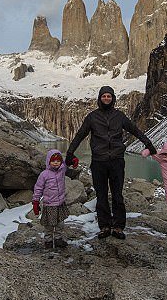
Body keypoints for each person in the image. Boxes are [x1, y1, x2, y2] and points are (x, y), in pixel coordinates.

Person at [66, 86, 157, 240]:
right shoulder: (92, 117)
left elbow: (135, 130)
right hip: (98, 162)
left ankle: (118, 226)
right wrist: (70, 152)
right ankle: (104, 226)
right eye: (104, 96)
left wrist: (148, 144)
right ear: (100, 98)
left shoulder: (119, 116)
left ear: (113, 98)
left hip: (116, 161)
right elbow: (80, 134)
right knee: (101, 195)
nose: (106, 98)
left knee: (117, 195)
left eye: (109, 96)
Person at [32, 149, 78, 249]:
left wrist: (73, 160)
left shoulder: (62, 169)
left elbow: (69, 162)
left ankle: (58, 239)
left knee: (60, 223)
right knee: (49, 225)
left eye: (58, 160)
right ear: (49, 161)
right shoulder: (44, 174)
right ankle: (48, 240)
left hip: (60, 203)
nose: (56, 162)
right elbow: (38, 188)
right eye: (53, 161)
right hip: (49, 204)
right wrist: (35, 201)